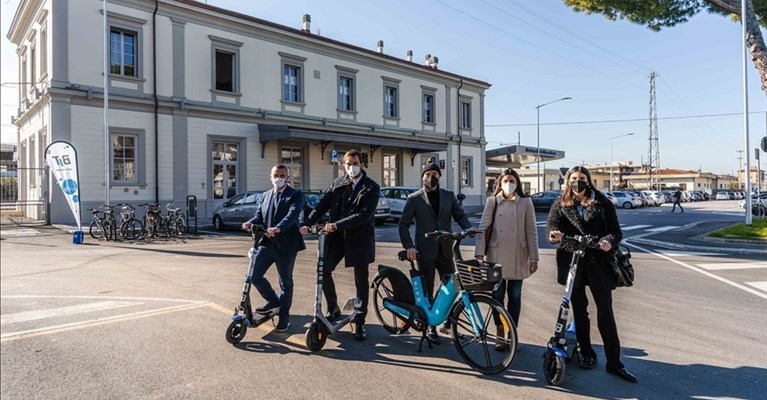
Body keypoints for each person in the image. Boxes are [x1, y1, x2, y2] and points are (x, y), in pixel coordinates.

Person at [546, 166, 638, 384]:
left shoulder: (602, 202)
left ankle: (615, 362)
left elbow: (616, 231)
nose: (578, 182)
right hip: (573, 261)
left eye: (582, 178)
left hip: (599, 262)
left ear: (588, 181)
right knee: (580, 312)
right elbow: (551, 229)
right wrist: (554, 236)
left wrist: (608, 241)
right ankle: (586, 353)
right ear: (568, 181)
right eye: (574, 178)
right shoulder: (560, 204)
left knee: (606, 312)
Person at [300, 150, 380, 341]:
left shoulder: (371, 187)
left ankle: (360, 322)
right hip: (336, 239)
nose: (351, 166)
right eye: (347, 163)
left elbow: (363, 215)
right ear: (343, 164)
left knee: (361, 281)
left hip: (359, 239)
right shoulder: (338, 183)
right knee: (323, 270)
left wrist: (336, 225)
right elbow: (322, 205)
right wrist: (308, 223)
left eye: (354, 163)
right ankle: (333, 307)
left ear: (361, 164)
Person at [398, 163, 472, 343]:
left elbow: (459, 215)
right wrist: (409, 246)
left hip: (446, 249)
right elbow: (403, 225)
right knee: (428, 288)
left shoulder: (448, 196)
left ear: (440, 176)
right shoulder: (414, 198)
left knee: (451, 287)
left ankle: (447, 322)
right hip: (425, 251)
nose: (431, 177)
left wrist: (468, 228)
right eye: (428, 173)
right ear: (422, 176)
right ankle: (431, 327)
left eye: (435, 174)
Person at [474, 168, 539, 351]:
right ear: (499, 183)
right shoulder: (492, 202)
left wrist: (534, 257)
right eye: (505, 180)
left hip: (519, 254)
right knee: (497, 296)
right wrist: (479, 253)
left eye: (512, 179)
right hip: (496, 255)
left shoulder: (526, 202)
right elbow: (482, 227)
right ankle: (500, 332)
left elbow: (532, 231)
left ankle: (512, 332)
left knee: (515, 296)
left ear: (517, 182)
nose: (509, 183)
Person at [241, 164, 306, 332]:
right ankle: (274, 301)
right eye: (276, 175)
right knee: (254, 276)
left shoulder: (295, 195)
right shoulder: (265, 195)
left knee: (285, 282)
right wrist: (250, 223)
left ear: (288, 177)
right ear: (271, 177)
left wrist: (278, 228)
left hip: (286, 245)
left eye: (283, 175)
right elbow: (259, 216)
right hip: (266, 243)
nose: (279, 178)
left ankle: (284, 317)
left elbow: (292, 215)